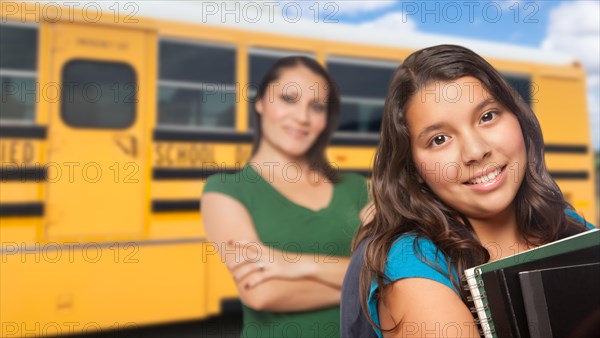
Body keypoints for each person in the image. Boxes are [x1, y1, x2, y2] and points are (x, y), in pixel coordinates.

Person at [347, 45, 595, 337]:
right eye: (439, 139)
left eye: (488, 116)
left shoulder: (562, 220)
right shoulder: (412, 263)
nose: (475, 151)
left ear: (520, 118)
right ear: (412, 166)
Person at [201, 56, 370, 338]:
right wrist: (363, 286)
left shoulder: (356, 188)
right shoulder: (226, 189)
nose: (302, 117)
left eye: (316, 107)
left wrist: (291, 263)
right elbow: (262, 293)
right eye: (288, 98)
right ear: (260, 102)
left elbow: (386, 268)